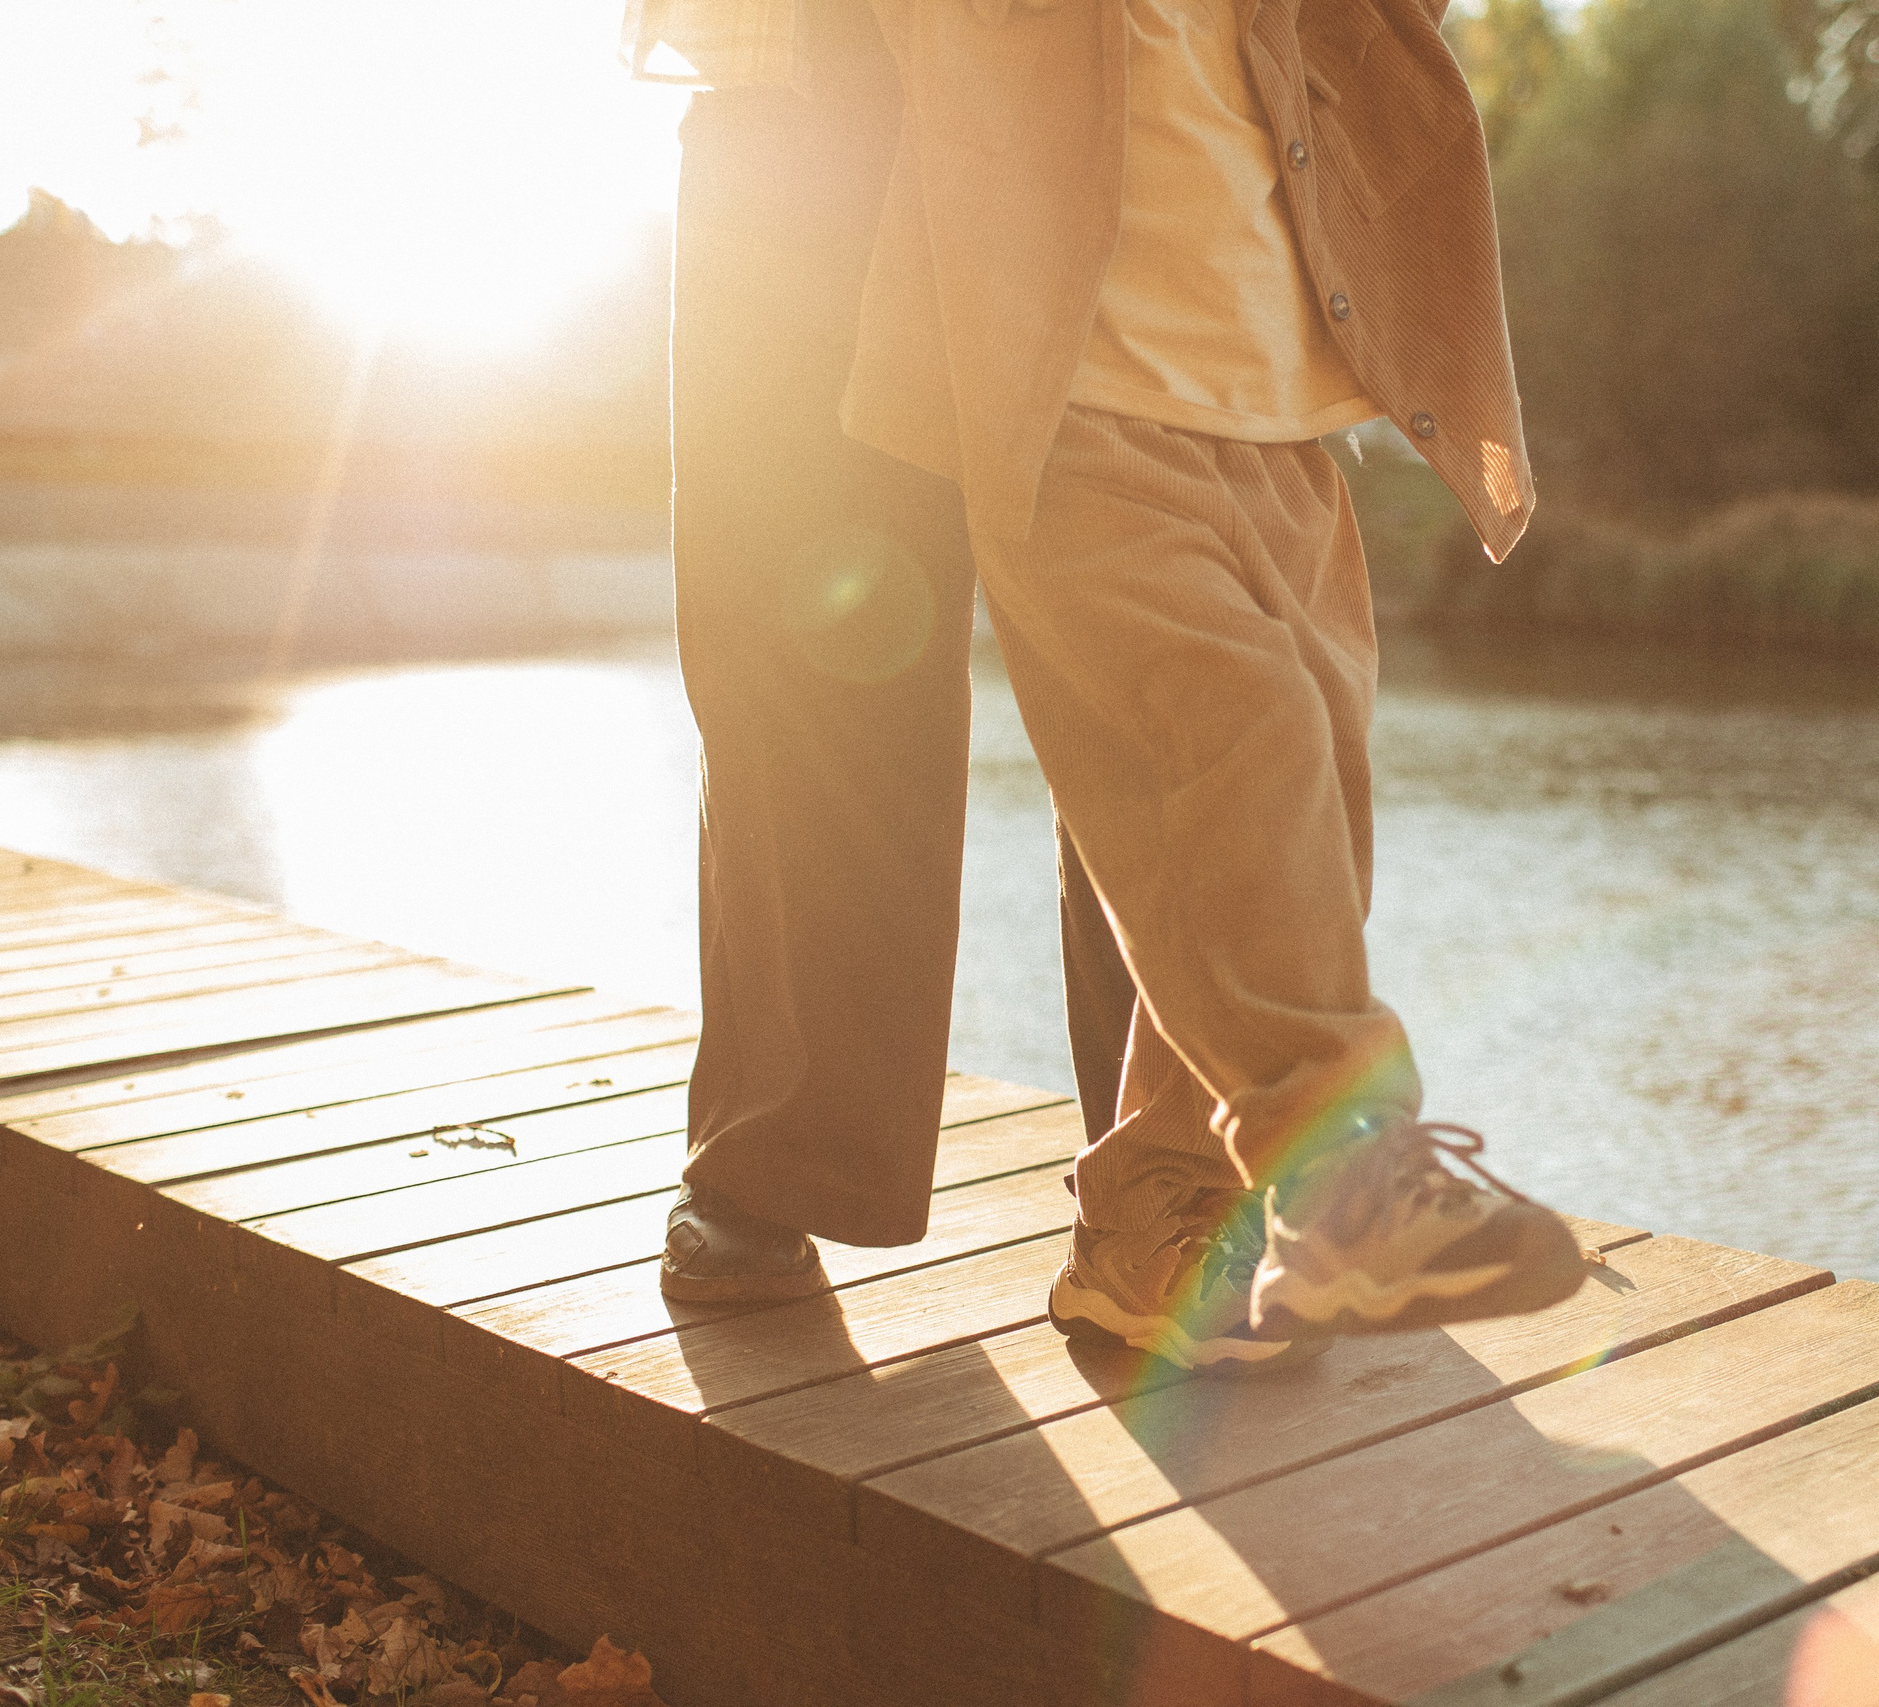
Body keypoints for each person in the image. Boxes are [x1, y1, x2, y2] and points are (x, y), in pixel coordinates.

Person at [833, 0, 1597, 1361]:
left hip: (1288, 438)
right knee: (1242, 751)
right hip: (1079, 423)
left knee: (1294, 834)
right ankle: (1347, 1175)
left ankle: (1147, 1225)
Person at [651, 0, 1145, 1299]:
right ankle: (789, 1153)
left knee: (1145, 621)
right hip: (805, 92)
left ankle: (1183, 1175)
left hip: (1107, 70)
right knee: (810, 619)